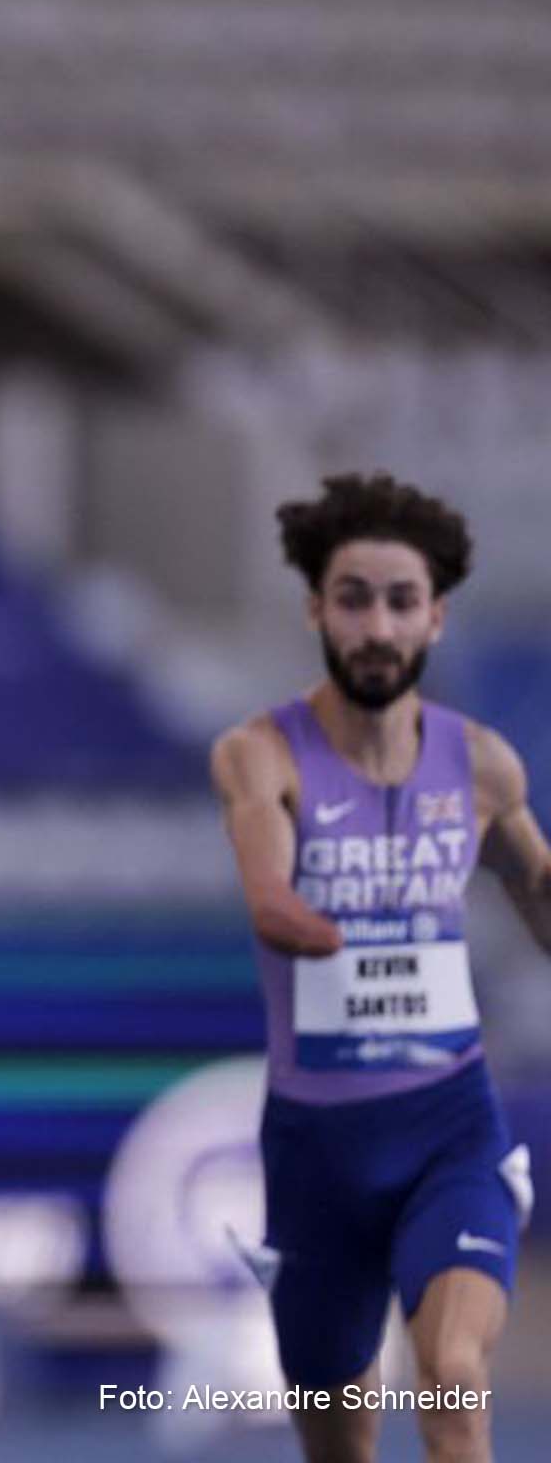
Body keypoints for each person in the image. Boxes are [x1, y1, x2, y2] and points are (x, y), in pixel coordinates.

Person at [212, 473, 550, 1463]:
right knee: (340, 1439)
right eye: (353, 599)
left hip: (450, 1129)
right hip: (316, 1154)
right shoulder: (261, 754)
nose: (377, 627)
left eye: (401, 602)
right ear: (317, 609)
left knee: (452, 1377)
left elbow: (537, 893)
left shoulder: (482, 766)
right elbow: (266, 890)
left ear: (434, 617)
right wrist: (311, 925)